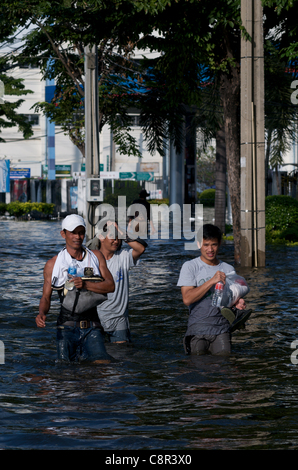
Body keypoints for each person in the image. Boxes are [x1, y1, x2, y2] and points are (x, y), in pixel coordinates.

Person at [35, 214, 115, 363]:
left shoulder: (96, 256)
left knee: (104, 366)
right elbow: (46, 297)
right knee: (66, 373)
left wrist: (86, 284)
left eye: (81, 232)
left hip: (93, 325)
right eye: (73, 232)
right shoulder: (53, 264)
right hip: (66, 327)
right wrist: (41, 313)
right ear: (63, 234)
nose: (78, 236)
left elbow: (111, 286)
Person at [177, 224, 251, 356]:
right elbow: (187, 299)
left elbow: (231, 296)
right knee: (198, 368)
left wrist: (238, 303)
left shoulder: (228, 269)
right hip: (197, 329)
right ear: (199, 243)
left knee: (224, 366)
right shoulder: (190, 267)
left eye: (214, 244)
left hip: (221, 329)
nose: (210, 249)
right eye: (206, 245)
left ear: (220, 244)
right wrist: (212, 280)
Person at [96, 220, 147, 344]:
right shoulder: (92, 259)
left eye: (119, 237)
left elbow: (140, 248)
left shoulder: (123, 256)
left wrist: (120, 231)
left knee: (121, 357)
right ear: (101, 237)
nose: (116, 241)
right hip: (96, 319)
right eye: (113, 237)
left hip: (119, 320)